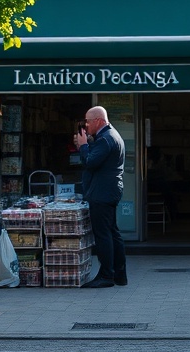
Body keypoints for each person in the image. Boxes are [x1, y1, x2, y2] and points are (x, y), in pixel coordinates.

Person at [73, 106, 127, 288]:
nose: (85, 125)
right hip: (109, 191)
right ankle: (119, 274)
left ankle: (106, 276)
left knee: (103, 234)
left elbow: (90, 162)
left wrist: (84, 146)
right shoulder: (111, 136)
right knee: (112, 232)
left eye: (88, 121)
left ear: (98, 121)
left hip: (102, 193)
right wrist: (89, 144)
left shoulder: (105, 139)